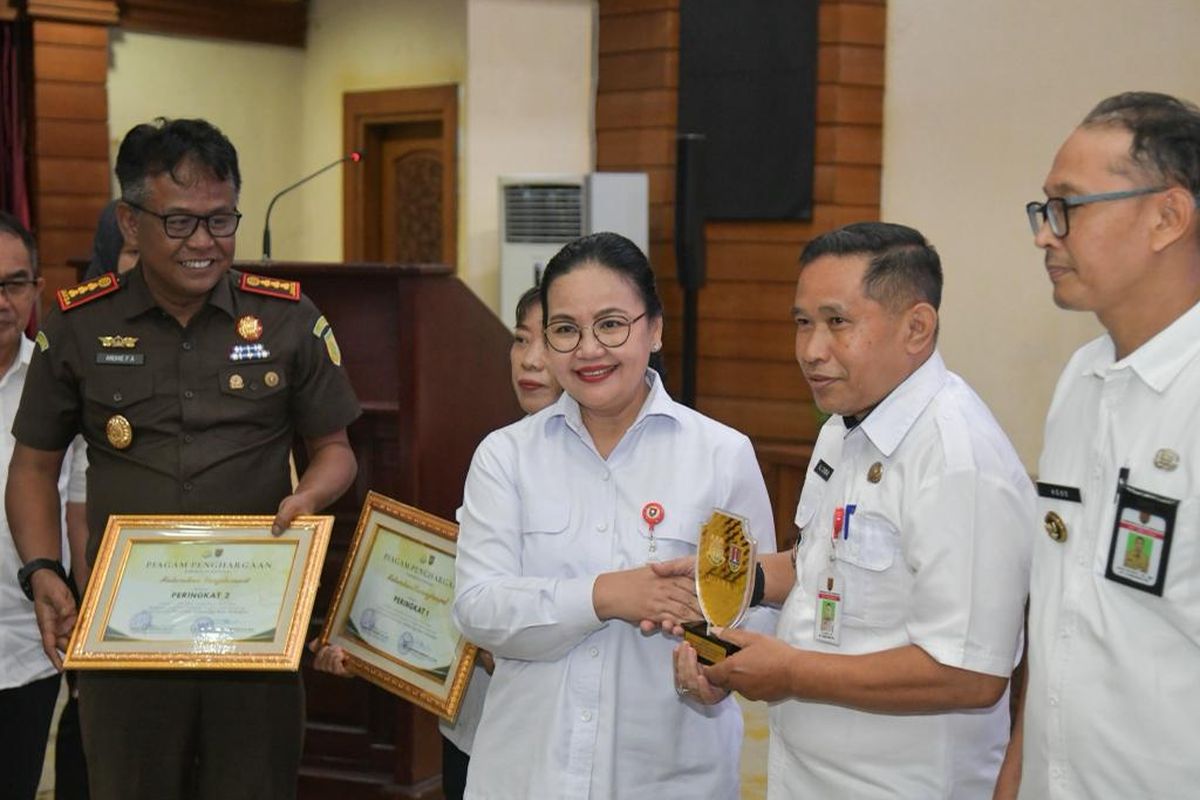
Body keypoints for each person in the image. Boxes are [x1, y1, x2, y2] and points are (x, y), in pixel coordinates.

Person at [5, 117, 360, 800]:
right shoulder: (78, 325)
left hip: (256, 628)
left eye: (221, 220)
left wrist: (309, 495)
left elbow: (335, 451)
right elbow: (33, 467)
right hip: (125, 637)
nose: (204, 243)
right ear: (130, 222)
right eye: (180, 223)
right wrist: (43, 569)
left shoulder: (286, 319)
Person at [674, 222, 1034, 799]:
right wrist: (730, 582)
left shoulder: (958, 461)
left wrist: (789, 672)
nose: (812, 351)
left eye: (837, 323)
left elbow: (971, 672)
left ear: (916, 328)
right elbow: (826, 560)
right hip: (809, 778)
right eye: (802, 323)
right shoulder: (848, 425)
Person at [453, 232, 777, 799]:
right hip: (527, 776)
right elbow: (480, 609)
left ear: (654, 329)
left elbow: (754, 617)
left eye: (610, 324)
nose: (588, 349)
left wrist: (713, 675)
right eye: (565, 329)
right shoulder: (505, 456)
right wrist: (607, 595)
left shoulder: (721, 456)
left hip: (667, 778)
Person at [998, 91, 1200, 800]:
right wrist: (1016, 777)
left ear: (1167, 217)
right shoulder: (1081, 380)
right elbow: (1061, 617)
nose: (1044, 235)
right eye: (1043, 210)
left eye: (1068, 207)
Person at [312, 284, 563, 800]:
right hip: (477, 725)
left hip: (560, 729)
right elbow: (451, 593)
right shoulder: (497, 454)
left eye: (551, 339)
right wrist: (362, 640)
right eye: (519, 339)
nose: (530, 360)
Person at [0, 212, 88, 800]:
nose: (3, 301)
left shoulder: (56, 386)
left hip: (25, 649)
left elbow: (77, 513)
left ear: (35, 290)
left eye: (14, 283)